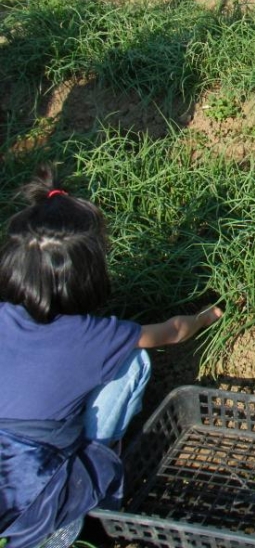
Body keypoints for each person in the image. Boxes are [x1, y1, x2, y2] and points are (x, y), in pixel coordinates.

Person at [0, 166, 224, 548]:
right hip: (38, 504)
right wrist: (207, 316)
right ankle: (98, 481)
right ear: (86, 274)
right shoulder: (98, 335)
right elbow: (172, 331)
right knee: (133, 362)